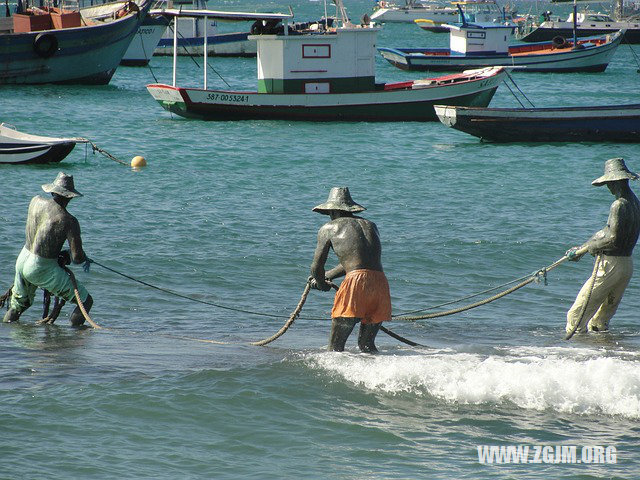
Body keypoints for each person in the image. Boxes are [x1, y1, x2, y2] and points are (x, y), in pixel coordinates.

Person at [3, 172, 93, 326]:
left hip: (23, 258)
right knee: (86, 301)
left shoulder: (35, 201)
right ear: (70, 196)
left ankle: (5, 334)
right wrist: (81, 256)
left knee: (17, 306)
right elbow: (77, 257)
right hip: (40, 267)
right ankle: (74, 338)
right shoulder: (69, 220)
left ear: (52, 191)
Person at [309, 187, 391, 352]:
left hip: (355, 285)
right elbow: (358, 263)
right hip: (379, 283)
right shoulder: (371, 225)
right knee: (367, 346)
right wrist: (328, 276)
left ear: (333, 211)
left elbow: (316, 267)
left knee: (335, 348)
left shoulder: (329, 228)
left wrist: (320, 282)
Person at [565, 158, 640, 335]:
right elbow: (606, 232)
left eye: (609, 183)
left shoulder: (618, 204)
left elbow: (612, 238)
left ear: (615, 182)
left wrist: (589, 249)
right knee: (601, 319)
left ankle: (574, 356)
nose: (608, 187)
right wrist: (582, 248)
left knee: (576, 316)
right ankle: (603, 353)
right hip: (626, 264)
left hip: (610, 266)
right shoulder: (636, 203)